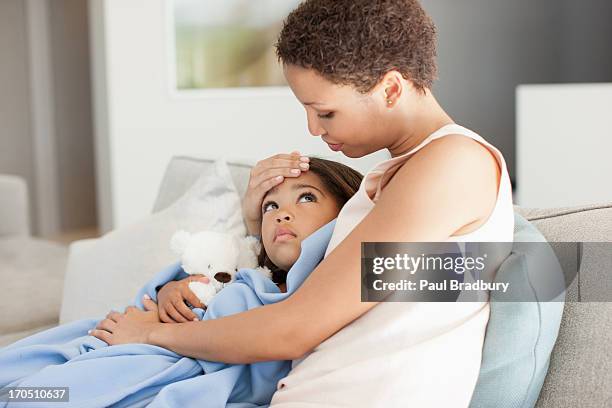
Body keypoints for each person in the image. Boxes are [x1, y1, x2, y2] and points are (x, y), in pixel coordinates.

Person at [90, 0, 515, 406]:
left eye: (325, 112)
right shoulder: (397, 179)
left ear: (389, 89)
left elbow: (296, 327)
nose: (313, 129)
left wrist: (149, 335)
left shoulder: (453, 164)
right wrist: (253, 223)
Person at [0, 158, 363, 407]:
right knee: (31, 366)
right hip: (131, 342)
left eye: (307, 197)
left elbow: (279, 342)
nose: (282, 212)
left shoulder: (368, 260)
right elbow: (193, 285)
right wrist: (171, 292)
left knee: (37, 395)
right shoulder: (255, 275)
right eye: (272, 206)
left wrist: (148, 334)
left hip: (165, 362)